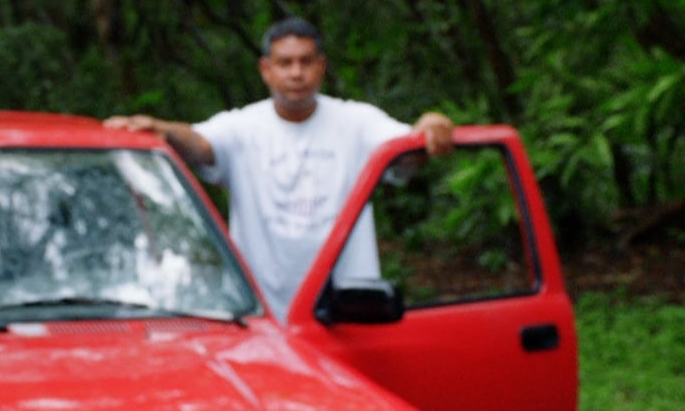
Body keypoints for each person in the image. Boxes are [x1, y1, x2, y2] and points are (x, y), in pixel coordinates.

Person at [106, 17, 453, 322]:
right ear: (266, 69)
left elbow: (407, 149)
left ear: (321, 66)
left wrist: (431, 126)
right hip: (264, 318)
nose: (296, 73)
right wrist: (162, 130)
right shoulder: (243, 127)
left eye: (306, 61)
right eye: (285, 63)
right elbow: (200, 144)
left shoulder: (357, 122)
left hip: (347, 313)